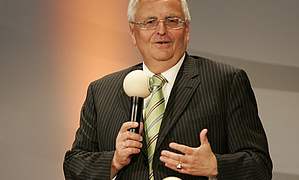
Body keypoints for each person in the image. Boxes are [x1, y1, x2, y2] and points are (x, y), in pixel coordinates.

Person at [63, 0, 273, 179]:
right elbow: (73, 166)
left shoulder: (226, 82)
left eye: (172, 21)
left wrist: (215, 165)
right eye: (150, 22)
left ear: (187, 30)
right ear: (133, 33)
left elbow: (259, 166)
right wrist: (114, 160)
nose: (161, 30)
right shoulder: (101, 91)